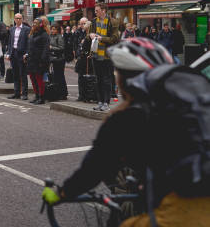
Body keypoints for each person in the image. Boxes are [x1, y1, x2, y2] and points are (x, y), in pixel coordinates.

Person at [42, 38, 210, 226]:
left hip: (187, 209)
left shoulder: (128, 117)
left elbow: (95, 167)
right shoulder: (194, 106)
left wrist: (61, 193)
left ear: (123, 79)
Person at [88, 3, 119, 111]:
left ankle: (106, 102)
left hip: (107, 56)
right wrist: (90, 35)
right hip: (95, 55)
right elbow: (89, 34)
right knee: (98, 79)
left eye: (97, 11)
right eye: (95, 11)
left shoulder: (113, 22)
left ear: (104, 10)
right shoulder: (94, 22)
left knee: (107, 80)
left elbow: (115, 39)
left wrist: (101, 38)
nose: (95, 12)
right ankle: (100, 101)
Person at [6, 13, 31, 100]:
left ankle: (24, 94)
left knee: (23, 75)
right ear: (14, 19)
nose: (18, 20)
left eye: (20, 18)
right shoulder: (12, 29)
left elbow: (29, 43)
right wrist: (8, 53)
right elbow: (10, 42)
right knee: (15, 74)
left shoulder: (27, 29)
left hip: (22, 54)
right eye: (16, 18)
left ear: (22, 19)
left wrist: (27, 53)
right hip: (13, 53)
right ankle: (16, 93)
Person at [27, 17, 50, 104]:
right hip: (31, 60)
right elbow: (29, 46)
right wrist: (27, 55)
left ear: (40, 24)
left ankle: (41, 97)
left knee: (39, 80)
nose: (33, 24)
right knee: (33, 79)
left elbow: (46, 49)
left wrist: (42, 60)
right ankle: (36, 95)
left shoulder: (44, 35)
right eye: (33, 22)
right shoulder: (33, 34)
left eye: (36, 23)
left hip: (39, 61)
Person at [73, 18, 92, 102]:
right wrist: (76, 56)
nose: (82, 26)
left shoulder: (91, 34)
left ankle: (88, 95)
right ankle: (81, 95)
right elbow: (76, 45)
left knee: (88, 77)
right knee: (81, 77)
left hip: (88, 59)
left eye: (84, 24)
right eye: (81, 24)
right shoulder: (78, 33)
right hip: (81, 58)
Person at [49, 24, 67, 99]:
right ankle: (57, 92)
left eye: (54, 29)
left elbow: (61, 48)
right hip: (53, 58)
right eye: (52, 29)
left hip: (59, 59)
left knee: (60, 76)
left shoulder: (59, 37)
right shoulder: (50, 36)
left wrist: (51, 47)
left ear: (58, 30)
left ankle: (63, 93)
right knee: (55, 76)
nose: (53, 30)